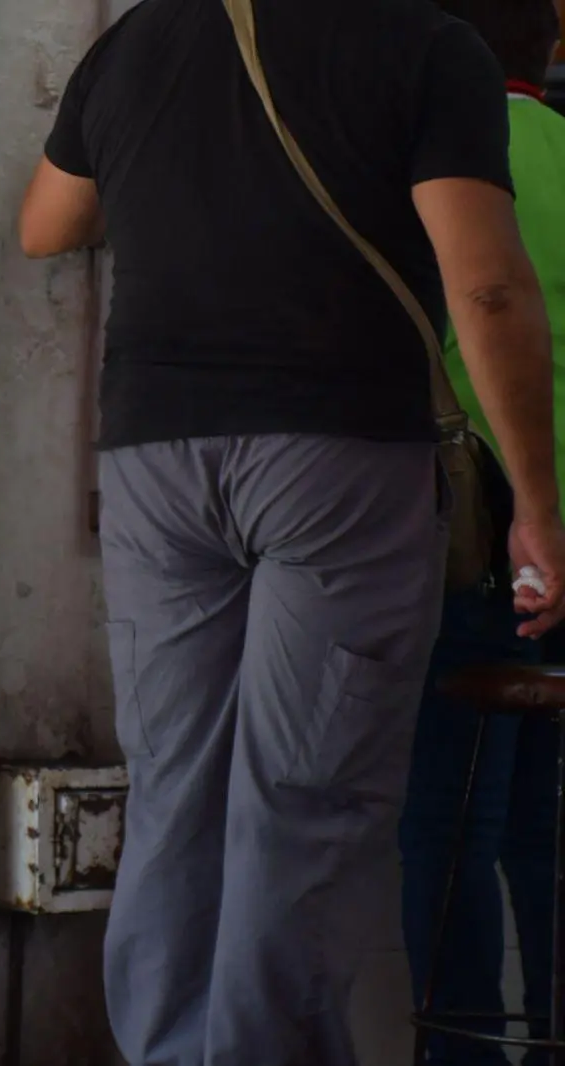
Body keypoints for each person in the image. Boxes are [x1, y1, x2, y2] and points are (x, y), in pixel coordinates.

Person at [18, 0, 565, 1063]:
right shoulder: (422, 46)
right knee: (303, 798)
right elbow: (488, 286)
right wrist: (537, 505)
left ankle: (176, 1050)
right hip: (338, 457)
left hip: (155, 460)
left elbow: (46, 222)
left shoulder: (137, 40)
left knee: (176, 787)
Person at [399, 2, 565, 1062]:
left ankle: (460, 1052)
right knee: (540, 830)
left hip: (488, 530)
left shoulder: (434, 160)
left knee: (448, 828)